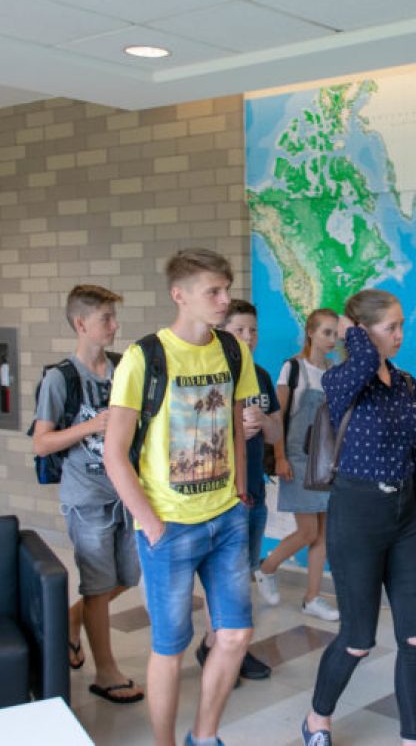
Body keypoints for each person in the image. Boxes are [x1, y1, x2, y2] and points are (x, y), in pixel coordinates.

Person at [104, 248, 259, 746]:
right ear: (180, 295)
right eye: (212, 291)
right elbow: (115, 453)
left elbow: (237, 423)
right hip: (169, 526)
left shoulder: (234, 351)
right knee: (170, 647)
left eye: (226, 290)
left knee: (235, 636)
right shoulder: (144, 356)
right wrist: (149, 522)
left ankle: (204, 736)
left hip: (226, 518)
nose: (224, 300)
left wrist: (239, 492)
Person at [302, 289, 416, 746]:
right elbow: (364, 360)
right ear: (361, 332)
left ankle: (414, 739)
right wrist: (351, 330)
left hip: (406, 519)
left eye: (402, 324)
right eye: (391, 326)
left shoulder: (406, 384)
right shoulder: (343, 379)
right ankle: (316, 719)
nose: (401, 335)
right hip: (358, 518)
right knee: (357, 639)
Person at [32, 285, 144, 704]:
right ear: (82, 324)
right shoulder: (61, 378)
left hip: (126, 492)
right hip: (87, 497)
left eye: (114, 318)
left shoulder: (121, 367)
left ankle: (68, 623)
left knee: (127, 578)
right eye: (106, 320)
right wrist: (91, 425)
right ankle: (107, 672)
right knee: (98, 586)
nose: (115, 327)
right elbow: (42, 443)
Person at [192, 299, 283, 681]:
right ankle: (221, 645)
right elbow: (193, 439)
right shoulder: (208, 374)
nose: (248, 338)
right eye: (239, 330)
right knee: (223, 577)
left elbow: (278, 433)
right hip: (219, 497)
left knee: (243, 573)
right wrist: (231, 432)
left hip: (255, 494)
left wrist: (263, 422)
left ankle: (222, 645)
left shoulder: (260, 376)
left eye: (253, 330)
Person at [254, 308, 340, 622]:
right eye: (326, 332)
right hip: (297, 459)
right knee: (307, 532)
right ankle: (265, 568)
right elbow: (278, 416)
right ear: (311, 333)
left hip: (325, 461)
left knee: (323, 535)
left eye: (335, 333)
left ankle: (312, 598)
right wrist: (279, 457)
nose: (332, 339)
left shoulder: (334, 371)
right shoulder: (292, 368)